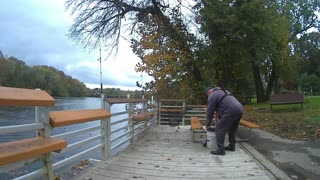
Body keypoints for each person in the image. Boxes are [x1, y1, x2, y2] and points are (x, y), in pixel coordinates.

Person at [205, 86, 243, 155]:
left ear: (209, 92)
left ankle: (220, 150)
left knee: (219, 129)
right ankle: (232, 146)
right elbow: (223, 105)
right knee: (232, 129)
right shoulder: (224, 91)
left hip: (231, 109)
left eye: (207, 95)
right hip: (239, 108)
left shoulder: (212, 95)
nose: (208, 96)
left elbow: (210, 111)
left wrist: (208, 123)